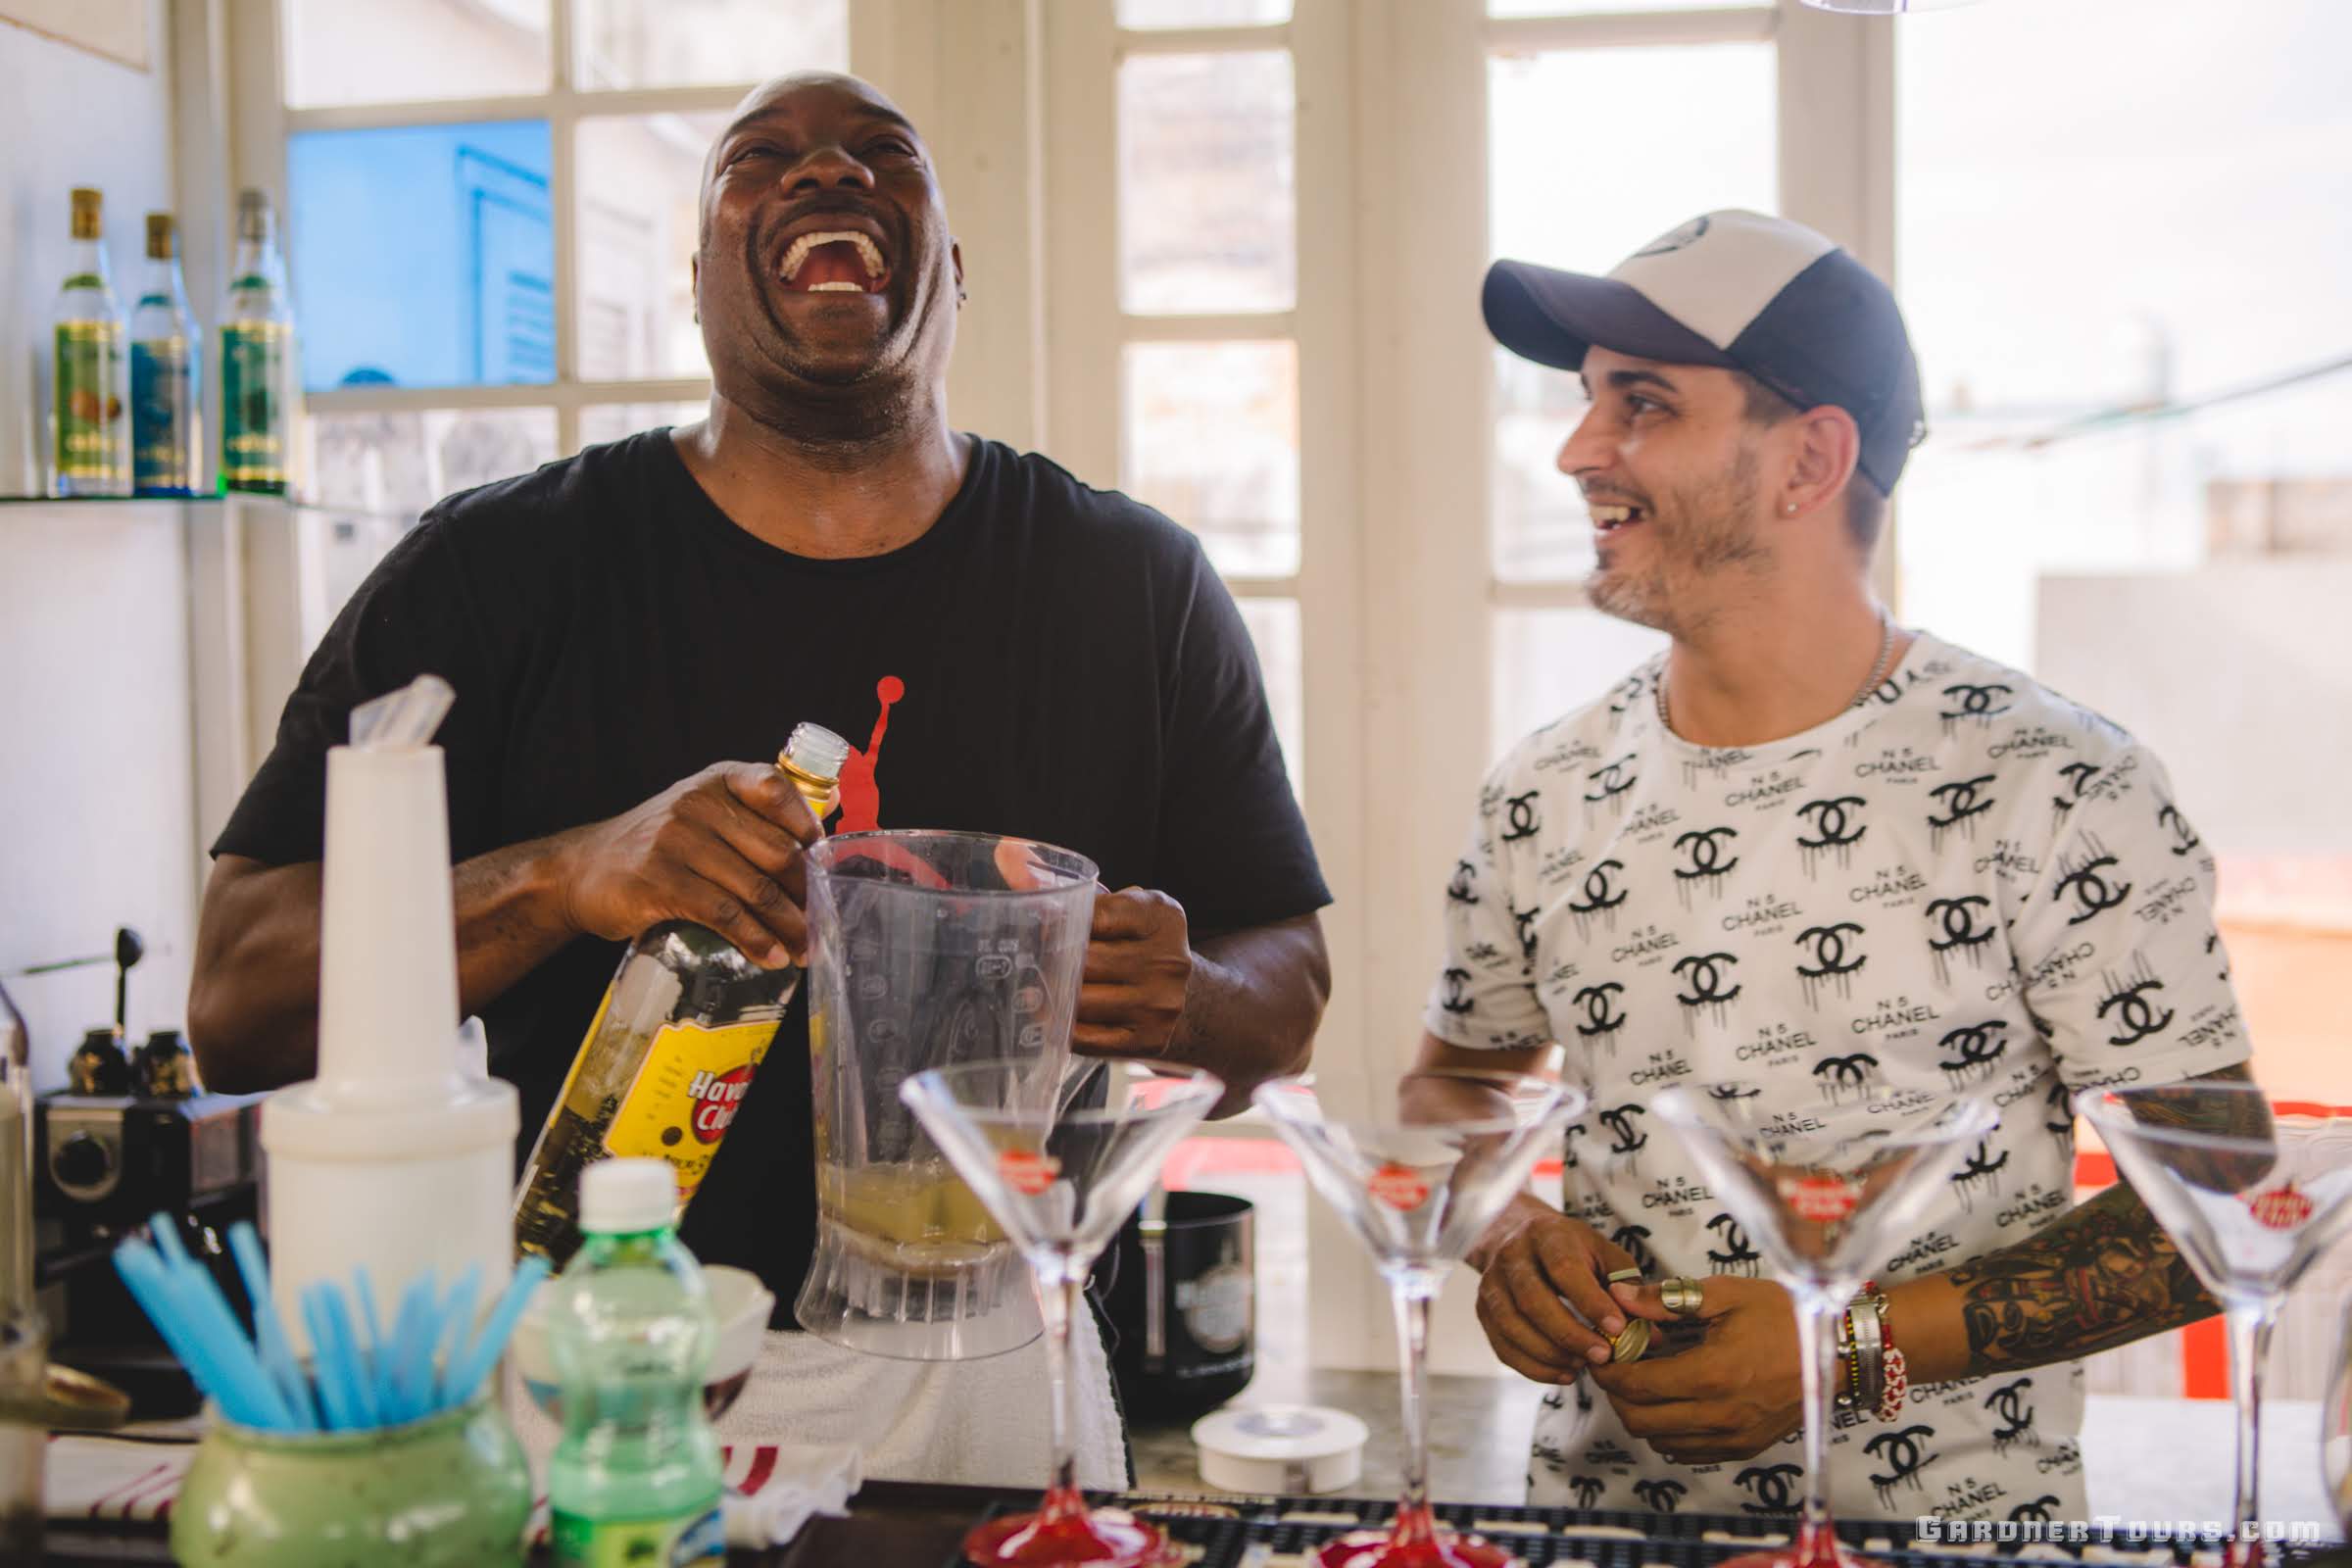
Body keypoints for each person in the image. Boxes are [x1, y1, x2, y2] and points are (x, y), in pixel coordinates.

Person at [186, 72, 1332, 1488]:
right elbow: (236, 1008)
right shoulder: (491, 576)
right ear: (699, 278)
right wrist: (564, 875)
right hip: (594, 1371)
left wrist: (1192, 1000)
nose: (827, 173)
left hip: (997, 1371)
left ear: (953, 272)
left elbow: (1288, 992)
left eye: (882, 154)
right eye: (763, 158)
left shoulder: (1133, 586)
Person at [1422, 210, 2249, 1522]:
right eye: (1585, 403)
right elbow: (1451, 1094)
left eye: (1641, 404)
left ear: (1810, 460)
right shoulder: (1542, 789)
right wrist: (1511, 1235)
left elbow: (2222, 1199)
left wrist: (1847, 1351)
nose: (1579, 452)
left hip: (1959, 1547)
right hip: (1592, 1538)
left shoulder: (2058, 784)